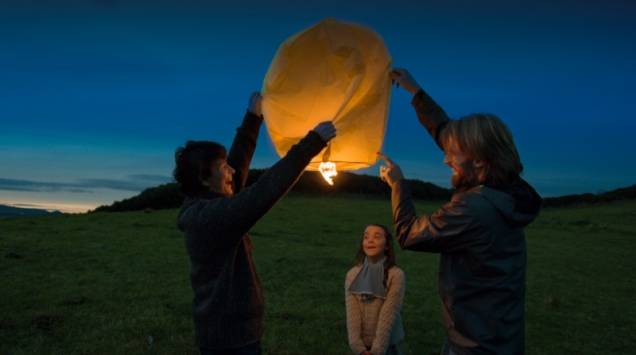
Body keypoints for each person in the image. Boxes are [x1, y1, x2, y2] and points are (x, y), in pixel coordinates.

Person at [379, 68, 542, 355]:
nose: (445, 160)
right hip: (499, 336)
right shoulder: (509, 188)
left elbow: (407, 233)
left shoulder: (474, 208)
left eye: (453, 154)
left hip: (473, 346)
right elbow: (448, 133)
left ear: (479, 162)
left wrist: (398, 184)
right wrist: (415, 93)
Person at [174, 92, 336, 355]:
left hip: (230, 331)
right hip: (230, 339)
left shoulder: (207, 203)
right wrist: (311, 143)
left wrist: (253, 117)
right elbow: (262, 193)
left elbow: (237, 169)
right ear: (205, 179)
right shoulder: (210, 218)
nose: (231, 171)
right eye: (223, 167)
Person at [345, 224, 406, 355]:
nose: (370, 240)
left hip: (388, 345)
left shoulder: (396, 275)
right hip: (361, 347)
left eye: (377, 237)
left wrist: (378, 350)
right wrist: (357, 347)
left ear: (387, 245)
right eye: (366, 237)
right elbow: (352, 313)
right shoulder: (352, 275)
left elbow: (389, 313)